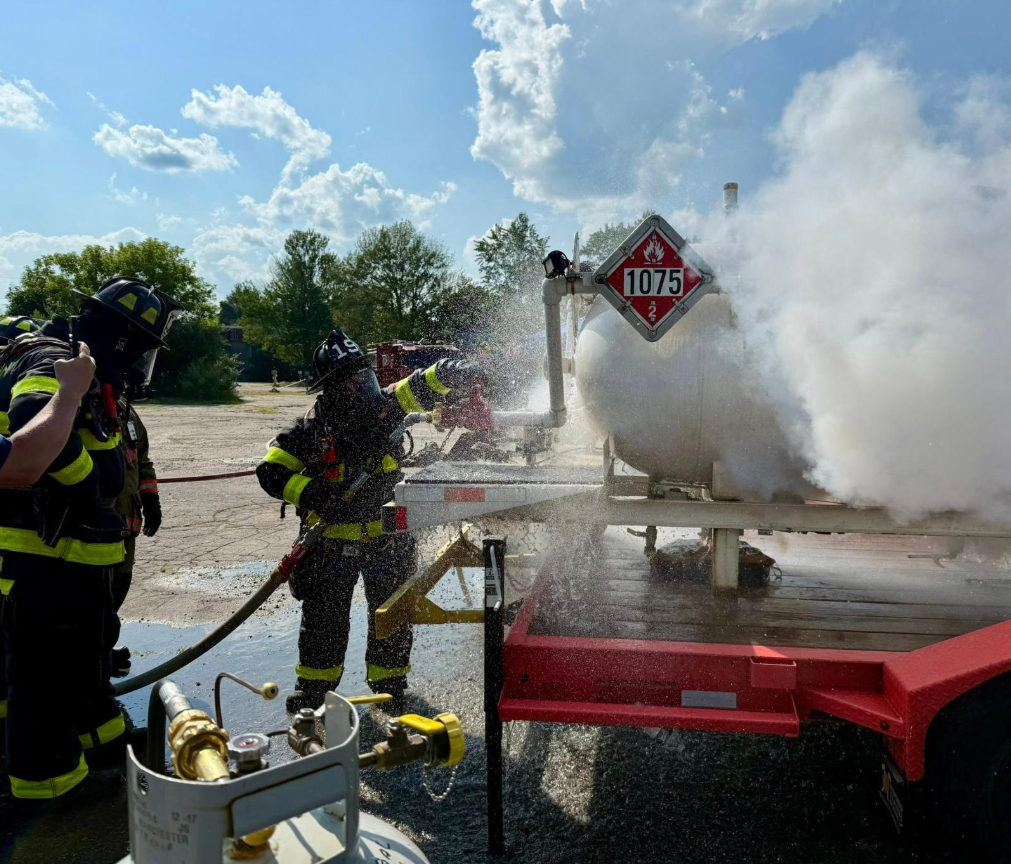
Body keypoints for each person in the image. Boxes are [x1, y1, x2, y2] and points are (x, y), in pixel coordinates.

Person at [0, 277, 177, 812]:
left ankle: (100, 741)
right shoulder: (55, 366)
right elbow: (34, 428)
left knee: (84, 662)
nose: (144, 364)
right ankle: (50, 786)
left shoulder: (98, 376)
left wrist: (136, 495)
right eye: (143, 349)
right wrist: (84, 488)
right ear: (122, 339)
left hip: (78, 560)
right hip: (44, 557)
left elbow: (123, 449)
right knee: (43, 680)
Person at [256, 329, 485, 713]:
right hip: (330, 544)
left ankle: (391, 687)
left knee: (393, 614)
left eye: (368, 377)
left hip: (387, 539)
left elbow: (422, 385)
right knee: (325, 622)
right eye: (355, 380)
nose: (366, 386)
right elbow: (270, 473)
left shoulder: (386, 407)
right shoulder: (312, 431)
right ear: (333, 388)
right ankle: (313, 692)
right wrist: (314, 494)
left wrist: (451, 371)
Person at [108, 400, 160, 677]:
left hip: (126, 525)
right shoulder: (82, 403)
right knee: (88, 598)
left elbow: (141, 460)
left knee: (118, 588)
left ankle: (101, 649)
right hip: (93, 530)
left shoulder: (126, 410)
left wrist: (151, 500)